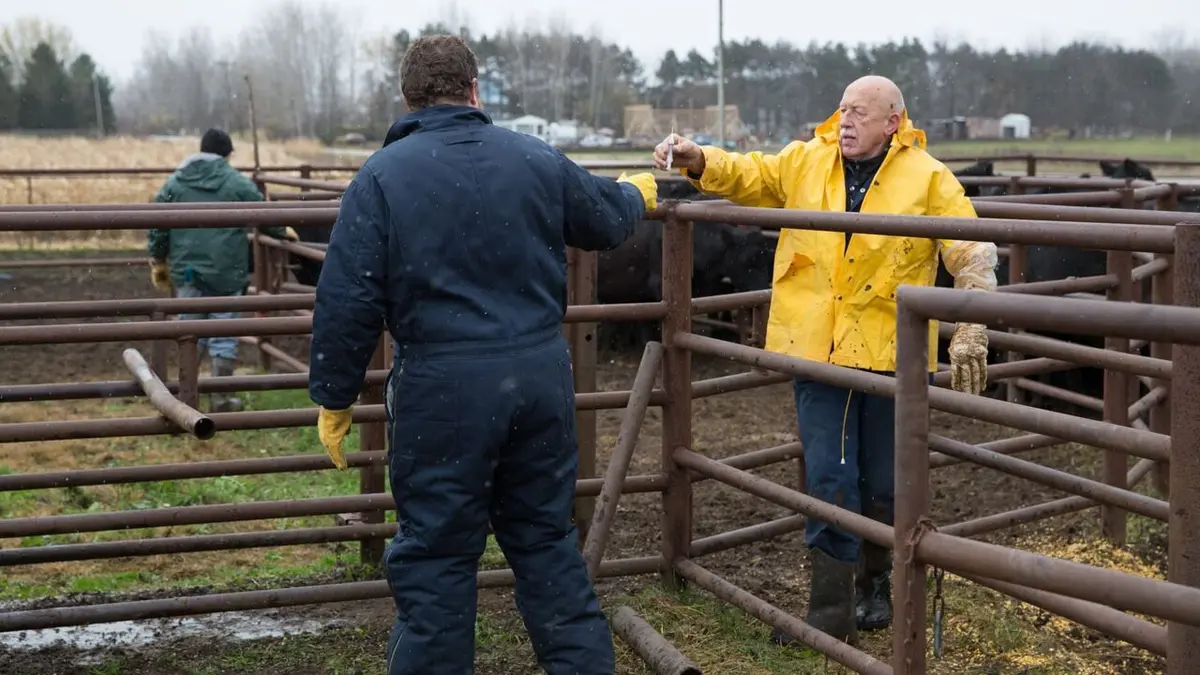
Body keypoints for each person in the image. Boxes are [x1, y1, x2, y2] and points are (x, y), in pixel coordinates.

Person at [306, 34, 657, 675]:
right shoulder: (534, 157)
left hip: (443, 388)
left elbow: (347, 297)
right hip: (538, 375)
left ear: (408, 100)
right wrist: (640, 192)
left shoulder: (382, 177)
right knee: (548, 543)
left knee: (438, 556)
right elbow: (606, 220)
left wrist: (334, 395)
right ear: (474, 91)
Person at [653, 75, 997, 646]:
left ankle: (876, 585)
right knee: (831, 473)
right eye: (841, 111)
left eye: (860, 113)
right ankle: (830, 609)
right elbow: (751, 174)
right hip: (817, 348)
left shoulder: (929, 177)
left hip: (891, 352)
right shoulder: (806, 162)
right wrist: (698, 158)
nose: (846, 122)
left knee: (885, 479)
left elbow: (971, 249)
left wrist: (972, 320)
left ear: (894, 122)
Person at [147, 128, 299, 413]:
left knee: (190, 332)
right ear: (226, 154)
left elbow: (158, 223)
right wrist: (282, 231)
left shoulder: (175, 184)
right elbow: (260, 211)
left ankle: (185, 398)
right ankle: (221, 398)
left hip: (188, 271)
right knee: (224, 333)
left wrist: (158, 259)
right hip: (227, 271)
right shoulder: (235, 182)